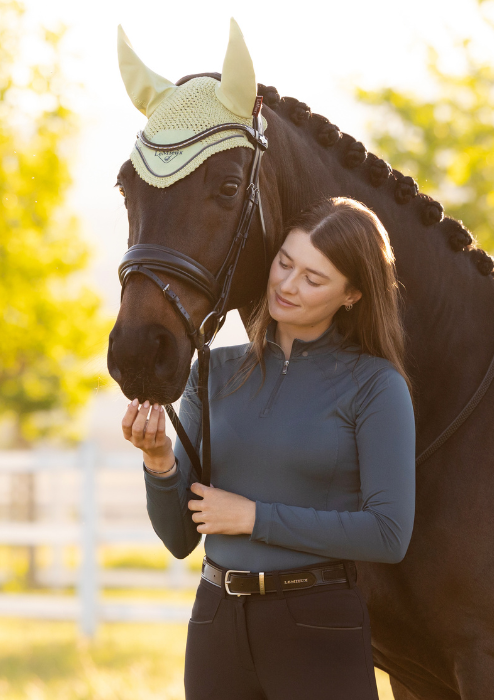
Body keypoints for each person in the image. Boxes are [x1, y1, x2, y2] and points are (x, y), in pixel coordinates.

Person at [121, 196, 416, 700]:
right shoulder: (212, 372)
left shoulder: (375, 385)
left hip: (318, 628)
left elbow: (388, 534)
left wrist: (254, 516)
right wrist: (159, 461)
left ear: (353, 295)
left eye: (313, 278)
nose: (286, 285)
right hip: (216, 622)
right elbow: (179, 538)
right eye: (285, 262)